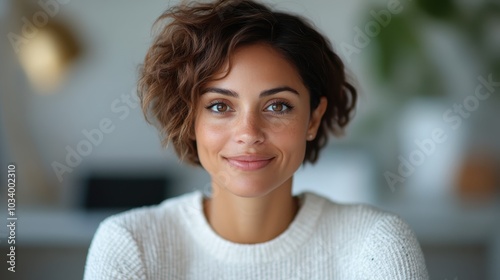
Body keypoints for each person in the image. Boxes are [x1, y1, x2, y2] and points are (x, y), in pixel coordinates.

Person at [83, 0, 429, 279]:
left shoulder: (376, 245)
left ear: (313, 118)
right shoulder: (131, 245)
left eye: (278, 106)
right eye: (220, 106)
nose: (248, 132)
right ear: (191, 119)